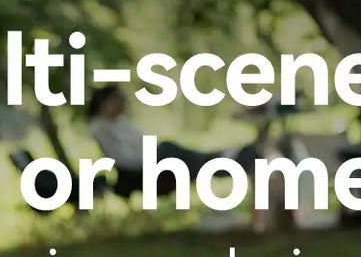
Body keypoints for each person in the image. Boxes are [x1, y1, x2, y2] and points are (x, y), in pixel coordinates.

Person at [87, 85, 272, 200]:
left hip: (156, 156)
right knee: (185, 157)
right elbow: (123, 158)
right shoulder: (100, 128)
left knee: (191, 159)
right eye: (117, 101)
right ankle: (235, 157)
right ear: (105, 103)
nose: (122, 105)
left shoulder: (119, 122)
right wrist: (151, 159)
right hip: (147, 167)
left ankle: (232, 157)